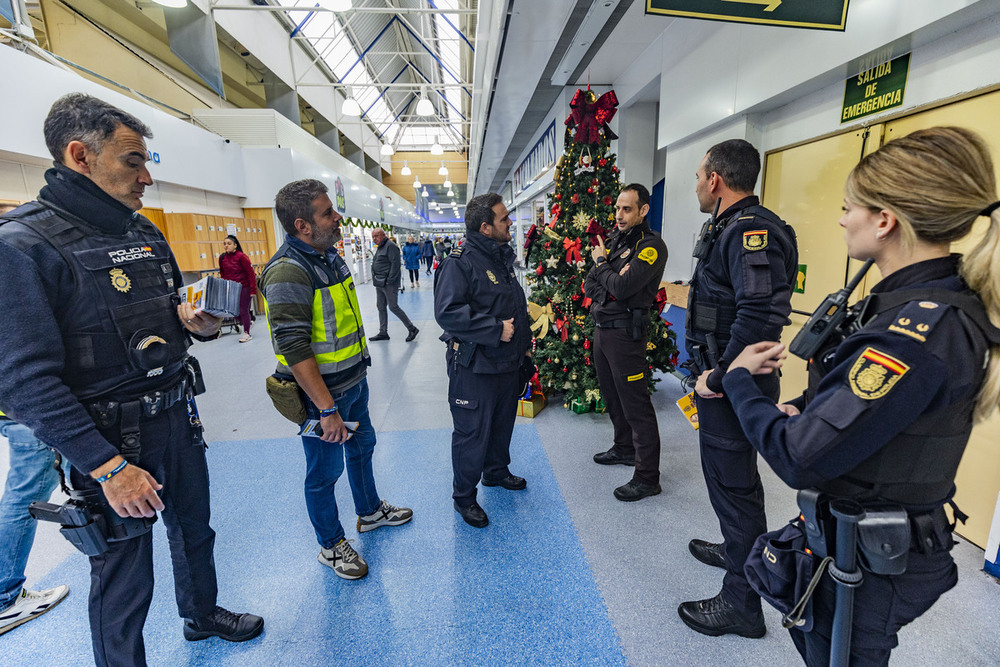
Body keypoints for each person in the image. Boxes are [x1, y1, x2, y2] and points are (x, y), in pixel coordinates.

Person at [0, 93, 262, 666]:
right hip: (109, 445)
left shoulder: (142, 232)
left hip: (176, 418)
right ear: (80, 155)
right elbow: (22, 381)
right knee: (123, 577)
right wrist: (109, 468)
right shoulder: (23, 246)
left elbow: (173, 321)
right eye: (133, 161)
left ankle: (202, 614)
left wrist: (202, 323)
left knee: (196, 532)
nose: (147, 176)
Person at [723, 126, 1000, 665]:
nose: (842, 218)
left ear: (884, 220)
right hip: (862, 538)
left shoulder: (913, 334)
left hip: (873, 562)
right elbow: (875, 408)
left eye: (849, 207)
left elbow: (798, 457)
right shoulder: (921, 304)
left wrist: (738, 380)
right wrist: (807, 409)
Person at [260, 179, 413, 580]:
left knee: (363, 447)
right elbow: (294, 350)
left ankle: (370, 512)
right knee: (324, 471)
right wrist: (326, 409)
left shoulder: (328, 257)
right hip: (320, 397)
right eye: (328, 212)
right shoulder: (288, 272)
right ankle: (330, 545)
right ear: (302, 225)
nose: (338, 217)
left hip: (352, 382)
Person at [678, 138, 798, 639]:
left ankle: (742, 604)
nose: (697, 186)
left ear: (715, 180)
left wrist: (721, 376)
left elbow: (759, 316)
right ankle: (736, 548)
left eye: (699, 177)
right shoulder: (727, 226)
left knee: (735, 488)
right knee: (728, 480)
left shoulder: (751, 231)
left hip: (730, 386)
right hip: (723, 382)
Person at [434, 193, 532, 528]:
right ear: (486, 227)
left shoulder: (500, 259)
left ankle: (495, 471)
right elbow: (447, 313)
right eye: (504, 219)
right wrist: (493, 330)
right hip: (475, 367)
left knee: (502, 423)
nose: (510, 223)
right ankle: (464, 497)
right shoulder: (459, 263)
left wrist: (525, 347)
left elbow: (514, 307)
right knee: (472, 433)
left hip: (507, 363)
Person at [584, 183, 668, 502]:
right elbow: (592, 284)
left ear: (643, 210)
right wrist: (611, 277)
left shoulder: (651, 246)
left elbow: (621, 286)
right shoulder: (616, 240)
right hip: (603, 329)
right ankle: (624, 448)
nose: (618, 215)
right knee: (613, 396)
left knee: (636, 405)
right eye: (617, 208)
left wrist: (604, 266)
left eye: (627, 209)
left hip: (625, 335)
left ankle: (648, 477)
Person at [0, 414, 69, 636]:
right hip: (32, 410)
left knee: (22, 495)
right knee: (24, 499)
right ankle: (5, 599)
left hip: (13, 408)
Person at [370, 228, 419, 342]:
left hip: (388, 283)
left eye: (376, 236)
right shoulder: (380, 246)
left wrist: (390, 280)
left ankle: (412, 328)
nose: (374, 239)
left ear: (383, 235)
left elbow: (395, 264)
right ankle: (383, 332)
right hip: (380, 282)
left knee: (393, 306)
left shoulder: (391, 246)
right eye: (373, 237)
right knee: (380, 306)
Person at [218, 234, 257, 343]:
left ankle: (247, 333)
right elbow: (223, 273)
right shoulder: (222, 257)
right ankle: (248, 323)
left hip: (244, 287)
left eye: (229, 244)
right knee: (232, 312)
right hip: (231, 288)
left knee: (243, 310)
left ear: (235, 245)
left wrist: (253, 290)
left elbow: (251, 274)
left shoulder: (242, 257)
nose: (226, 246)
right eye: (224, 244)